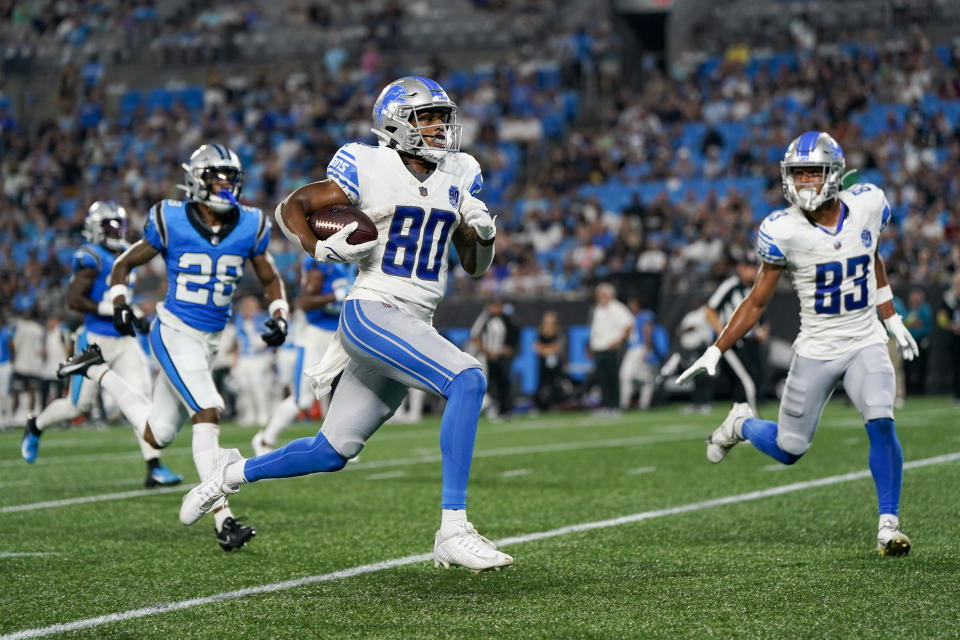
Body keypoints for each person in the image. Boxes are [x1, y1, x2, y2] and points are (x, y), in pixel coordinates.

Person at [178, 76, 513, 572]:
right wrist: (317, 246)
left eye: (443, 116)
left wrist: (480, 232)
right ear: (396, 123)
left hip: (413, 318)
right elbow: (290, 206)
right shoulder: (368, 162)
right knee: (467, 378)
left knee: (332, 450)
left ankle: (228, 475)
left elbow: (474, 265)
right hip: (372, 310)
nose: (440, 126)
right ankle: (453, 528)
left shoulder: (461, 171)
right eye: (427, 117)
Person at [677, 131, 919, 556]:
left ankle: (888, 524)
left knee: (881, 418)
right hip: (815, 349)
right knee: (790, 450)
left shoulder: (867, 203)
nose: (805, 182)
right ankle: (741, 424)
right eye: (797, 174)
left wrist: (891, 317)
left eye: (813, 172)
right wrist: (716, 349)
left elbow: (872, 257)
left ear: (835, 173)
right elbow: (755, 302)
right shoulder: (781, 229)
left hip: (864, 339)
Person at [58, 145, 289, 551]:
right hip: (174, 328)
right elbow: (122, 264)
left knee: (158, 432)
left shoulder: (251, 223)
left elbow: (268, 275)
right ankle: (224, 521)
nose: (226, 185)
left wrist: (280, 311)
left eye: (230, 177)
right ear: (197, 180)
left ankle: (95, 369)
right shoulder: (171, 218)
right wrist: (118, 302)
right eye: (216, 177)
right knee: (207, 409)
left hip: (211, 339)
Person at [21, 202, 181, 487]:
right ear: (96, 228)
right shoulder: (90, 255)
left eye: (119, 224)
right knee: (77, 406)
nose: (116, 230)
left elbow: (122, 298)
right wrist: (117, 311)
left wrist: (137, 314)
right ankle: (35, 425)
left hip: (125, 339)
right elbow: (74, 300)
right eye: (110, 225)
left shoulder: (126, 252)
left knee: (142, 398)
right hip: (95, 338)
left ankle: (154, 467)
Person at [252, 259, 355, 454]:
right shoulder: (323, 263)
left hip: (341, 332)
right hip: (315, 335)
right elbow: (305, 302)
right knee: (302, 400)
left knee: (344, 392)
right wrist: (337, 295)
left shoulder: (353, 262)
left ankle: (337, 444)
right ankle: (265, 441)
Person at [705, 254, 769, 414]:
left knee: (754, 380)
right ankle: (751, 423)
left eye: (754, 266)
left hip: (750, 343)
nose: (751, 270)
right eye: (748, 266)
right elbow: (710, 311)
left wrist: (763, 331)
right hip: (733, 344)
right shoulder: (731, 285)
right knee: (746, 383)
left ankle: (740, 422)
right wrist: (724, 335)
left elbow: (763, 318)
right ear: (740, 268)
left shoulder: (756, 288)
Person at [588, 283, 634, 414]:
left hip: (611, 348)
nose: (600, 297)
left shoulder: (617, 308)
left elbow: (629, 324)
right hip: (599, 348)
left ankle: (614, 405)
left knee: (612, 378)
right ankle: (605, 405)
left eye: (603, 294)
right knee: (602, 379)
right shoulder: (598, 309)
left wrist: (618, 341)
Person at [470, 300, 518, 419]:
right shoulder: (485, 317)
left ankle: (500, 409)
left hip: (496, 356)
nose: (497, 308)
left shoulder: (504, 319)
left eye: (499, 306)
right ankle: (488, 408)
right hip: (482, 357)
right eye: (494, 306)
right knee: (484, 383)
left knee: (500, 382)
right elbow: (474, 336)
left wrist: (502, 350)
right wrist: (487, 352)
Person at [532, 310, 567, 412]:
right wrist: (547, 350)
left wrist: (545, 349)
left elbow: (556, 348)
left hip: (555, 366)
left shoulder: (559, 333)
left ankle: (555, 405)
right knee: (541, 385)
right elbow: (537, 348)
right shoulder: (539, 333)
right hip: (543, 365)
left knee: (555, 385)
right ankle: (542, 407)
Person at [901, 288, 931, 396]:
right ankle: (909, 390)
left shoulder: (924, 309)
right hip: (909, 341)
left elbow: (921, 325)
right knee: (908, 366)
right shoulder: (908, 310)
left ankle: (920, 390)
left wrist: (914, 323)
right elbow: (906, 324)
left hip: (921, 341)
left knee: (921, 366)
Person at [937, 272, 960, 403]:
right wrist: (952, 326)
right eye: (957, 282)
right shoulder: (948, 297)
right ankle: (957, 393)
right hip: (953, 336)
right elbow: (941, 318)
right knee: (955, 365)